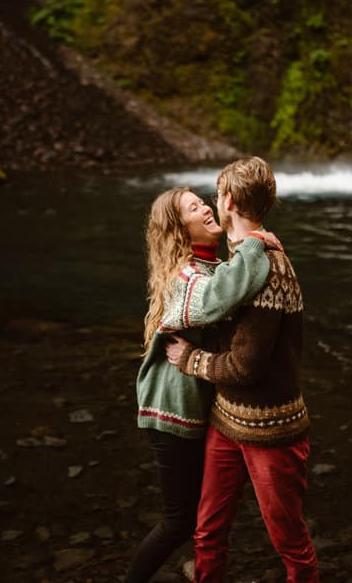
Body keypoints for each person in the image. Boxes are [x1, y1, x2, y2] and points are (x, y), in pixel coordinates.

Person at [166, 157, 319, 582]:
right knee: (208, 528)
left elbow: (245, 366)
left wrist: (189, 360)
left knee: (288, 539)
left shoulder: (267, 269)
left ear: (228, 200)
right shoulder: (241, 263)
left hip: (272, 430)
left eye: (216, 196)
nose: (214, 203)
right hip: (227, 420)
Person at [127, 186, 282, 583]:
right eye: (193, 208)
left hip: (195, 409)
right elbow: (218, 298)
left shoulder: (209, 266)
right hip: (171, 413)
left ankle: (202, 568)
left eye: (202, 201)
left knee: (211, 507)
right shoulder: (187, 277)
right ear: (180, 231)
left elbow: (232, 287)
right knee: (178, 520)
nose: (205, 209)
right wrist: (254, 241)